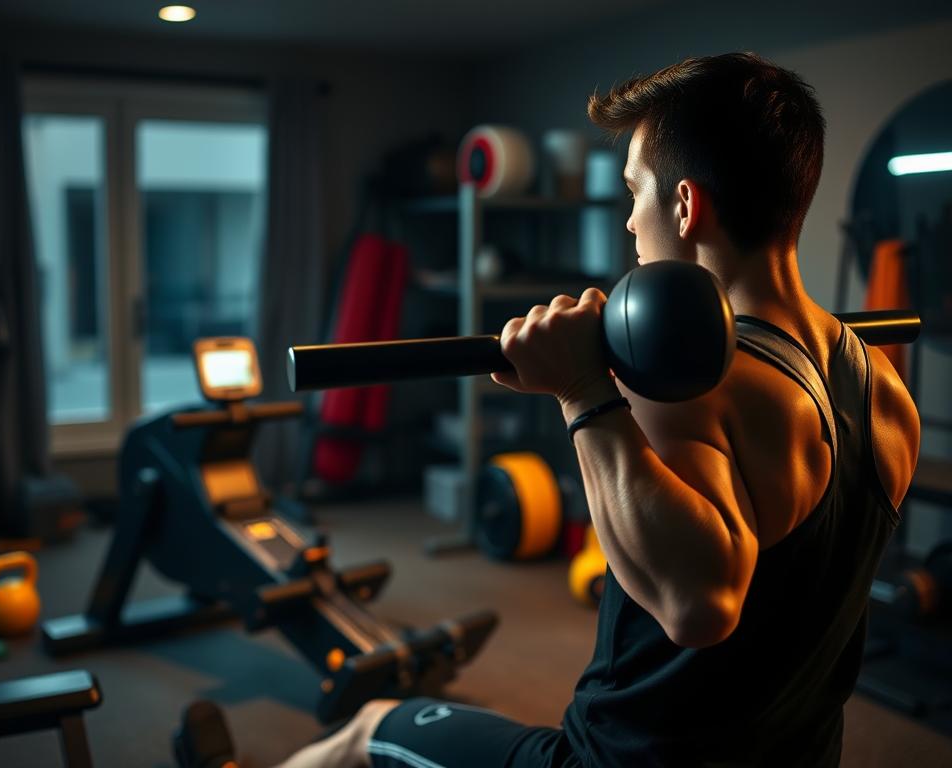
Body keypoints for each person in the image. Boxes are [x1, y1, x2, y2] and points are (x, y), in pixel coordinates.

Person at [272, 52, 920, 768]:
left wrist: (583, 392)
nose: (630, 225)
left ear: (683, 204)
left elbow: (701, 606)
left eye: (634, 193)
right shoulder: (883, 393)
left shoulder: (693, 379)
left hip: (614, 763)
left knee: (371, 730)